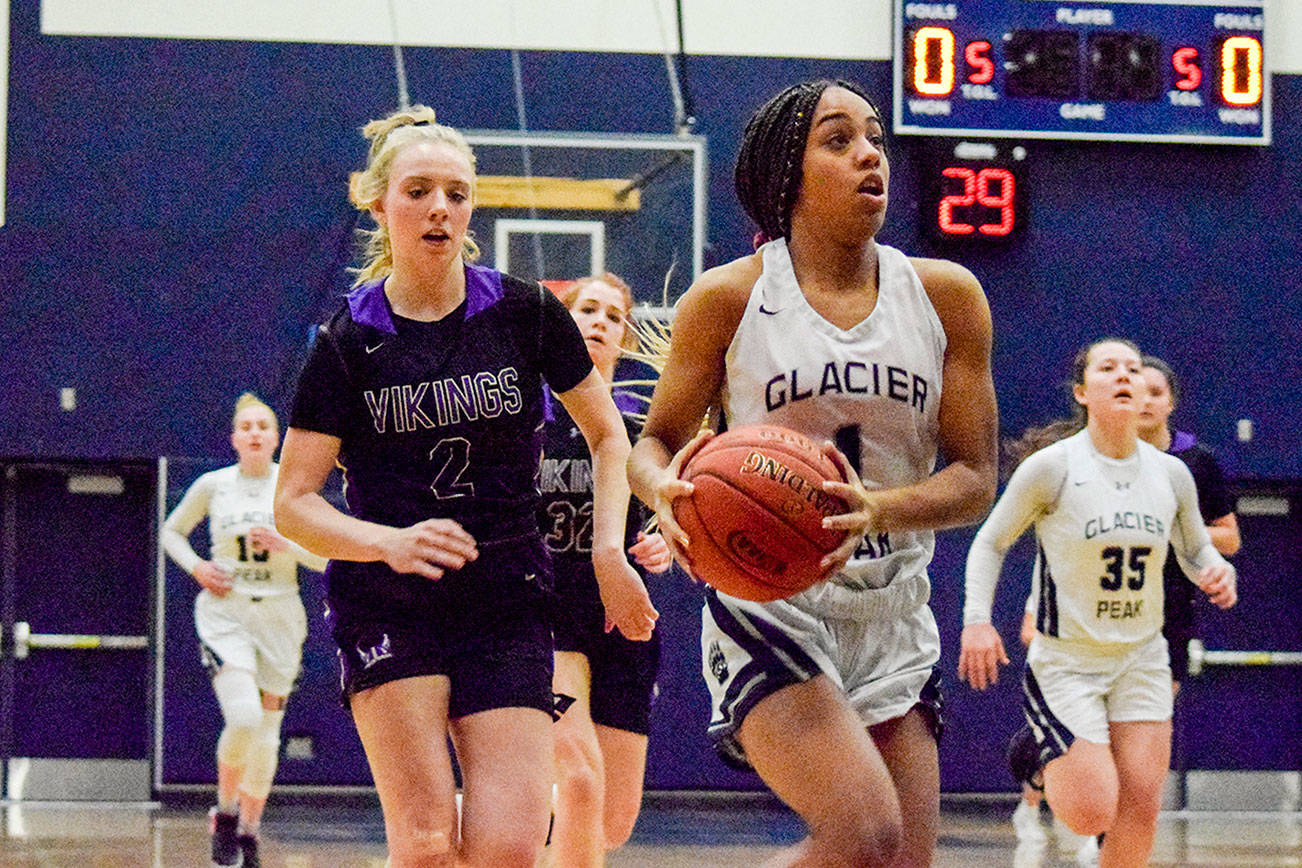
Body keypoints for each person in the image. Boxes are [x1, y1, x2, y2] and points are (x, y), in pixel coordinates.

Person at [273, 105, 657, 868]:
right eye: (418, 190)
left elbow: (611, 434)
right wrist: (387, 541)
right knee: (422, 846)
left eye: (456, 191)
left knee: (509, 850)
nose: (440, 206)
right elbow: (293, 505)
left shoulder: (525, 313)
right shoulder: (348, 344)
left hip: (507, 598)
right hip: (390, 600)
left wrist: (609, 553)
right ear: (379, 203)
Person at [628, 79, 999, 867]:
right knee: (865, 834)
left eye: (874, 137)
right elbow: (653, 444)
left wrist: (877, 509)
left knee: (902, 861)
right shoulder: (728, 299)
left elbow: (975, 477)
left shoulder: (947, 296)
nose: (871, 154)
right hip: (769, 598)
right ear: (785, 177)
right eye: (839, 140)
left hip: (893, 608)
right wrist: (660, 490)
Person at [958, 338, 1238, 868]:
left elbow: (1199, 548)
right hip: (1069, 661)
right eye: (1108, 368)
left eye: (1133, 368)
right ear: (1083, 392)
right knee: (1091, 812)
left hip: (1142, 657)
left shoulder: (1172, 474)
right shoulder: (1053, 468)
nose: (1125, 376)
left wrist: (1217, 573)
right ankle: (1042, 758)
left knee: (1140, 808)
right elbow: (991, 542)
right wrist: (978, 620)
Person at [162, 392, 328, 868]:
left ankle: (250, 833)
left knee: (269, 732)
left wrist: (288, 543)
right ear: (235, 437)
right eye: (247, 426)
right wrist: (198, 567)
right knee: (243, 718)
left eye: (264, 426)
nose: (255, 432)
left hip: (280, 614)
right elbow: (172, 532)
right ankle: (226, 813)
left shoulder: (292, 489)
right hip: (226, 610)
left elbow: (326, 559)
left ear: (277, 438)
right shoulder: (213, 486)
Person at [541, 273, 673, 865]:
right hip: (544, 617)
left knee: (612, 822)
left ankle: (476, 819)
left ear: (624, 335)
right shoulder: (525, 414)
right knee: (578, 783)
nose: (598, 321)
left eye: (613, 315)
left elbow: (666, 528)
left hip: (621, 622)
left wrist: (664, 547)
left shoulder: (642, 432)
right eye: (586, 309)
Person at [1136, 355, 1241, 692]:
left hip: (1171, 608)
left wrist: (1168, 528)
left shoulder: (1197, 461)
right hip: (1106, 601)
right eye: (1137, 392)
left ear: (1171, 403)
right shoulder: (1097, 456)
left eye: (1155, 392)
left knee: (1153, 724)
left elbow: (1229, 538)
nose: (1146, 401)